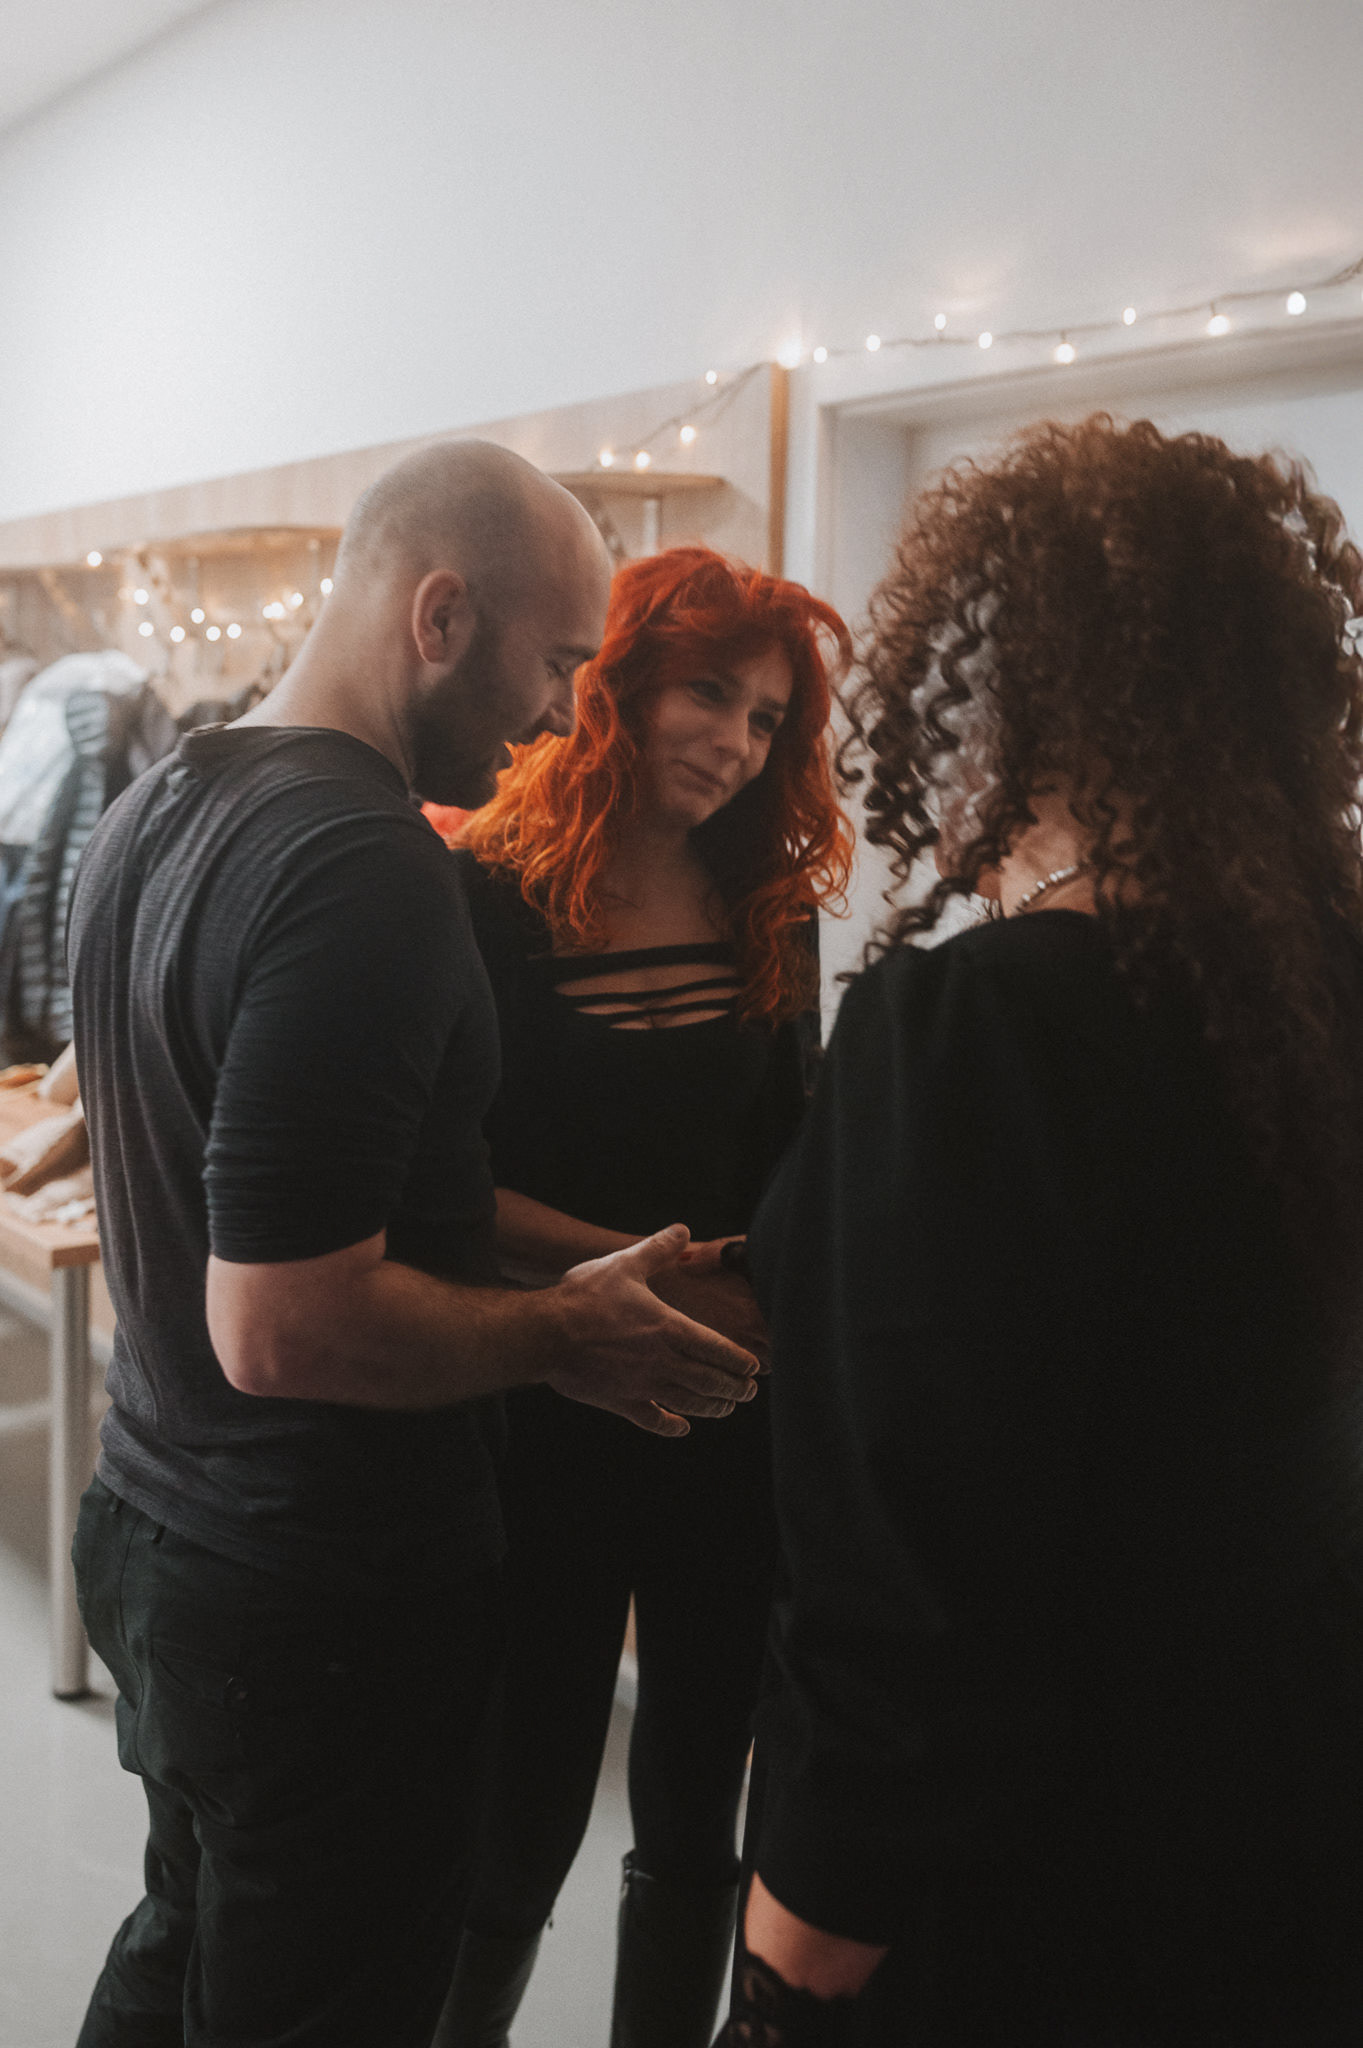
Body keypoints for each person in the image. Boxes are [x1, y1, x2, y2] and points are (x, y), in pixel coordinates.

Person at [65, 441, 763, 2048]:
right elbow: (284, 1324)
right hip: (315, 1594)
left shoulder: (161, 805)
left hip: (161, 1527)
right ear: (439, 615)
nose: (562, 713)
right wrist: (563, 1335)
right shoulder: (369, 868)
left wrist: (592, 1268)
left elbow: (325, 1188)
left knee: (182, 1947)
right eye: (556, 662)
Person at [719, 414, 1363, 2045]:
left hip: (1039, 1880)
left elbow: (908, 1582)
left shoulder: (982, 1031)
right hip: (1289, 1826)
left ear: (1004, 700)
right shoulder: (1318, 1000)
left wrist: (793, 1958)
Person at [431, 545, 853, 2048]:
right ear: (615, 685)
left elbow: (791, 1157)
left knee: (694, 1797)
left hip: (729, 1407)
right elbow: (445, 1183)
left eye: (767, 720)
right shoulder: (483, 891)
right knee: (525, 1788)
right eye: (709, 694)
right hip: (548, 1391)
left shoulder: (769, 905)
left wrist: (765, 1279)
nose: (735, 743)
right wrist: (639, 1269)